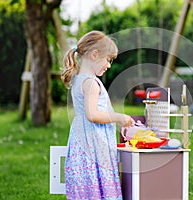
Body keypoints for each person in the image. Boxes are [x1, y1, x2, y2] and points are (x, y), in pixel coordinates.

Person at [61, 30, 135, 200]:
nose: (109, 65)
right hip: (93, 143)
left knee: (88, 186)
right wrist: (119, 117)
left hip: (84, 141)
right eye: (108, 60)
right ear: (94, 55)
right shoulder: (91, 83)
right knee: (98, 184)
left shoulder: (80, 79)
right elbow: (92, 115)